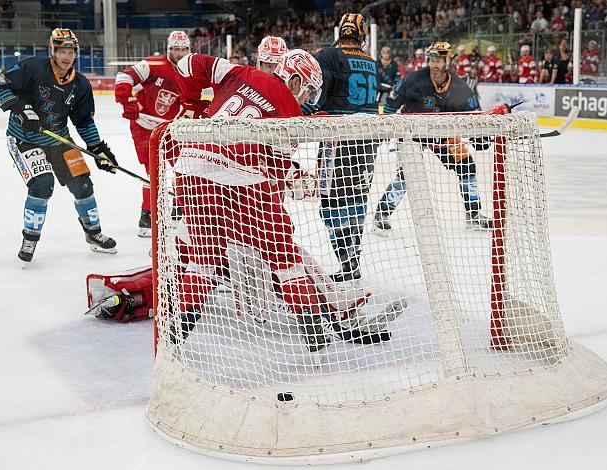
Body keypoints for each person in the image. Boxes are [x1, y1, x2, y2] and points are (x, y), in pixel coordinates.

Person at [171, 49, 336, 351]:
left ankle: (173, 338)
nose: (306, 99)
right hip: (241, 181)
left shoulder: (239, 72)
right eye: (308, 90)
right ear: (295, 78)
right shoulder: (290, 111)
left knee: (203, 262)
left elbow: (186, 63)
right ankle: (315, 334)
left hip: (190, 169)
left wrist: (193, 103)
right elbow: (276, 170)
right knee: (285, 258)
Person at [0, 28, 117, 263]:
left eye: (71, 51)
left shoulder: (80, 84)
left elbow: (84, 120)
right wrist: (19, 107)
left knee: (83, 185)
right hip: (23, 139)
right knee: (42, 185)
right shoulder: (32, 67)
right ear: (53, 51)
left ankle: (93, 234)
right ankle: (30, 238)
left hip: (59, 140)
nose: (67, 57)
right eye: (62, 51)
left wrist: (98, 149)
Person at [376, 41, 492, 232]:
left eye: (439, 61)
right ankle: (382, 212)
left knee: (467, 166)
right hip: (412, 133)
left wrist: (480, 138)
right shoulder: (412, 80)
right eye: (431, 61)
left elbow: (474, 119)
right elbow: (390, 105)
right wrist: (386, 128)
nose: (435, 66)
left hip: (442, 135)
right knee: (407, 175)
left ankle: (473, 214)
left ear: (447, 62)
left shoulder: (461, 88)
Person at [302, 13, 379, 282]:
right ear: (362, 35)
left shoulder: (330, 56)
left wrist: (297, 111)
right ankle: (352, 258)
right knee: (357, 199)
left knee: (331, 202)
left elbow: (316, 97)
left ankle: (347, 262)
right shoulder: (371, 61)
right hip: (369, 142)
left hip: (339, 141)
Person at [115, 30, 190, 237]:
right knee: (154, 171)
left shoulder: (191, 70)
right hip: (144, 125)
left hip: (170, 128)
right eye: (176, 49)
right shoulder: (154, 65)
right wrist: (127, 99)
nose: (180, 54)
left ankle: (179, 209)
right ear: (169, 49)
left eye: (184, 49)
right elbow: (124, 76)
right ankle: (147, 216)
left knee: (186, 166)